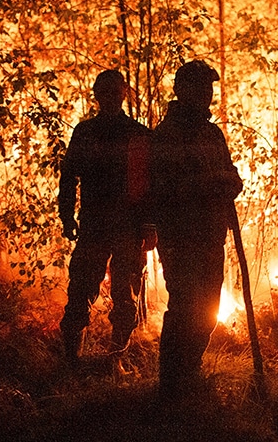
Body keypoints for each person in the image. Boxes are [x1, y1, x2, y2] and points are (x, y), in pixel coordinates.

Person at [149, 60, 242, 397]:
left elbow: (231, 174)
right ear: (182, 91)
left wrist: (229, 180)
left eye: (209, 87)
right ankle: (171, 384)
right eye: (201, 87)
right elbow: (164, 189)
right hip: (181, 237)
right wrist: (212, 182)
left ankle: (189, 371)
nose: (208, 94)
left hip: (211, 235)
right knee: (185, 308)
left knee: (207, 310)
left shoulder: (211, 133)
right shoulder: (166, 136)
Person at [57, 70, 155, 362]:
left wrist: (149, 225)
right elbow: (69, 175)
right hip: (95, 225)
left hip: (127, 227)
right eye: (105, 92)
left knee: (125, 297)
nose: (110, 97)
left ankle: (116, 359)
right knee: (81, 292)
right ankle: (73, 360)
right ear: (97, 94)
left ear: (123, 93)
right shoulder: (86, 132)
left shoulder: (138, 134)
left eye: (115, 91)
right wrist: (66, 214)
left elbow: (149, 184)